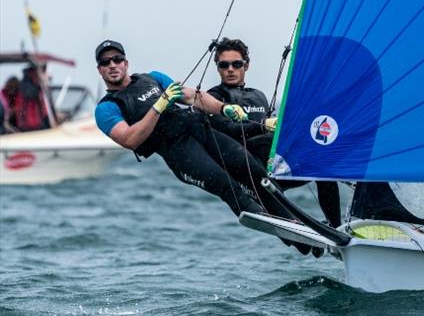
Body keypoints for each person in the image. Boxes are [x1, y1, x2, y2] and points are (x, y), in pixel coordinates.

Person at [92, 39, 313, 254]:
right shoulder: (107, 108)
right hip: (179, 152)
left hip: (201, 130)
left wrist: (224, 108)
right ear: (99, 70)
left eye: (117, 59)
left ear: (126, 63)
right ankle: (296, 236)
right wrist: (158, 107)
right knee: (229, 187)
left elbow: (193, 98)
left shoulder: (153, 78)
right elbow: (130, 139)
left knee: (257, 175)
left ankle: (303, 233)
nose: (112, 65)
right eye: (105, 62)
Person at [207, 37, 341, 227]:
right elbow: (228, 131)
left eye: (236, 64)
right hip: (249, 172)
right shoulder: (214, 98)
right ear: (218, 67)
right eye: (224, 65)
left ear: (246, 66)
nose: (230, 69)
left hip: (276, 166)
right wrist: (262, 125)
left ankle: (336, 227)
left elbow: (275, 132)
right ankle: (293, 222)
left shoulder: (258, 96)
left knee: (321, 168)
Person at [13, 66, 51, 132]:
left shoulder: (33, 83)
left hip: (36, 122)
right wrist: (42, 82)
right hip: (29, 124)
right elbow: (31, 93)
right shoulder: (26, 84)